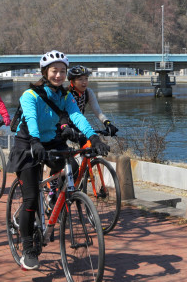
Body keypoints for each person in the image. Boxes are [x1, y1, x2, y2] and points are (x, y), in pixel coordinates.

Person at [7, 50, 110, 271]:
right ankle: (28, 249)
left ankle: (55, 202)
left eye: (62, 71)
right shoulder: (30, 95)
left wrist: (93, 138)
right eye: (54, 71)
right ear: (45, 72)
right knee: (31, 199)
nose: (59, 75)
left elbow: (76, 116)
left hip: (52, 141)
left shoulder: (65, 96)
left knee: (71, 167)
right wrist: (35, 142)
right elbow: (32, 119)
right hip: (28, 143)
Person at [67, 65, 119, 136]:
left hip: (78, 126)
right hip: (63, 127)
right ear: (72, 81)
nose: (84, 82)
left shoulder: (88, 92)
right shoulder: (66, 94)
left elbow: (97, 111)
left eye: (86, 78)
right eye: (80, 79)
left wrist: (107, 123)